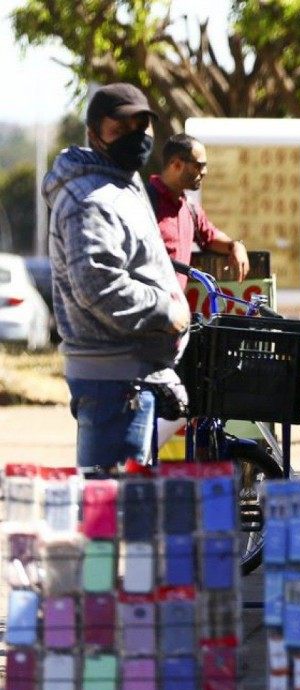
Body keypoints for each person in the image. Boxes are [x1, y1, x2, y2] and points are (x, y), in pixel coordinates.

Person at [42, 83, 190, 469]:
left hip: (133, 374)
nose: (134, 137)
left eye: (142, 126)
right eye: (120, 128)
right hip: (114, 380)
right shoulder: (89, 200)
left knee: (125, 512)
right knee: (111, 514)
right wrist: (164, 309)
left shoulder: (123, 182)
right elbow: (97, 284)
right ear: (94, 135)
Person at [148, 133, 250, 288]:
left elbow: (210, 237)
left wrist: (236, 245)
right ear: (176, 165)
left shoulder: (189, 207)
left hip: (175, 308)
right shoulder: (144, 202)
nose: (205, 171)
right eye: (198, 165)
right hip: (145, 306)